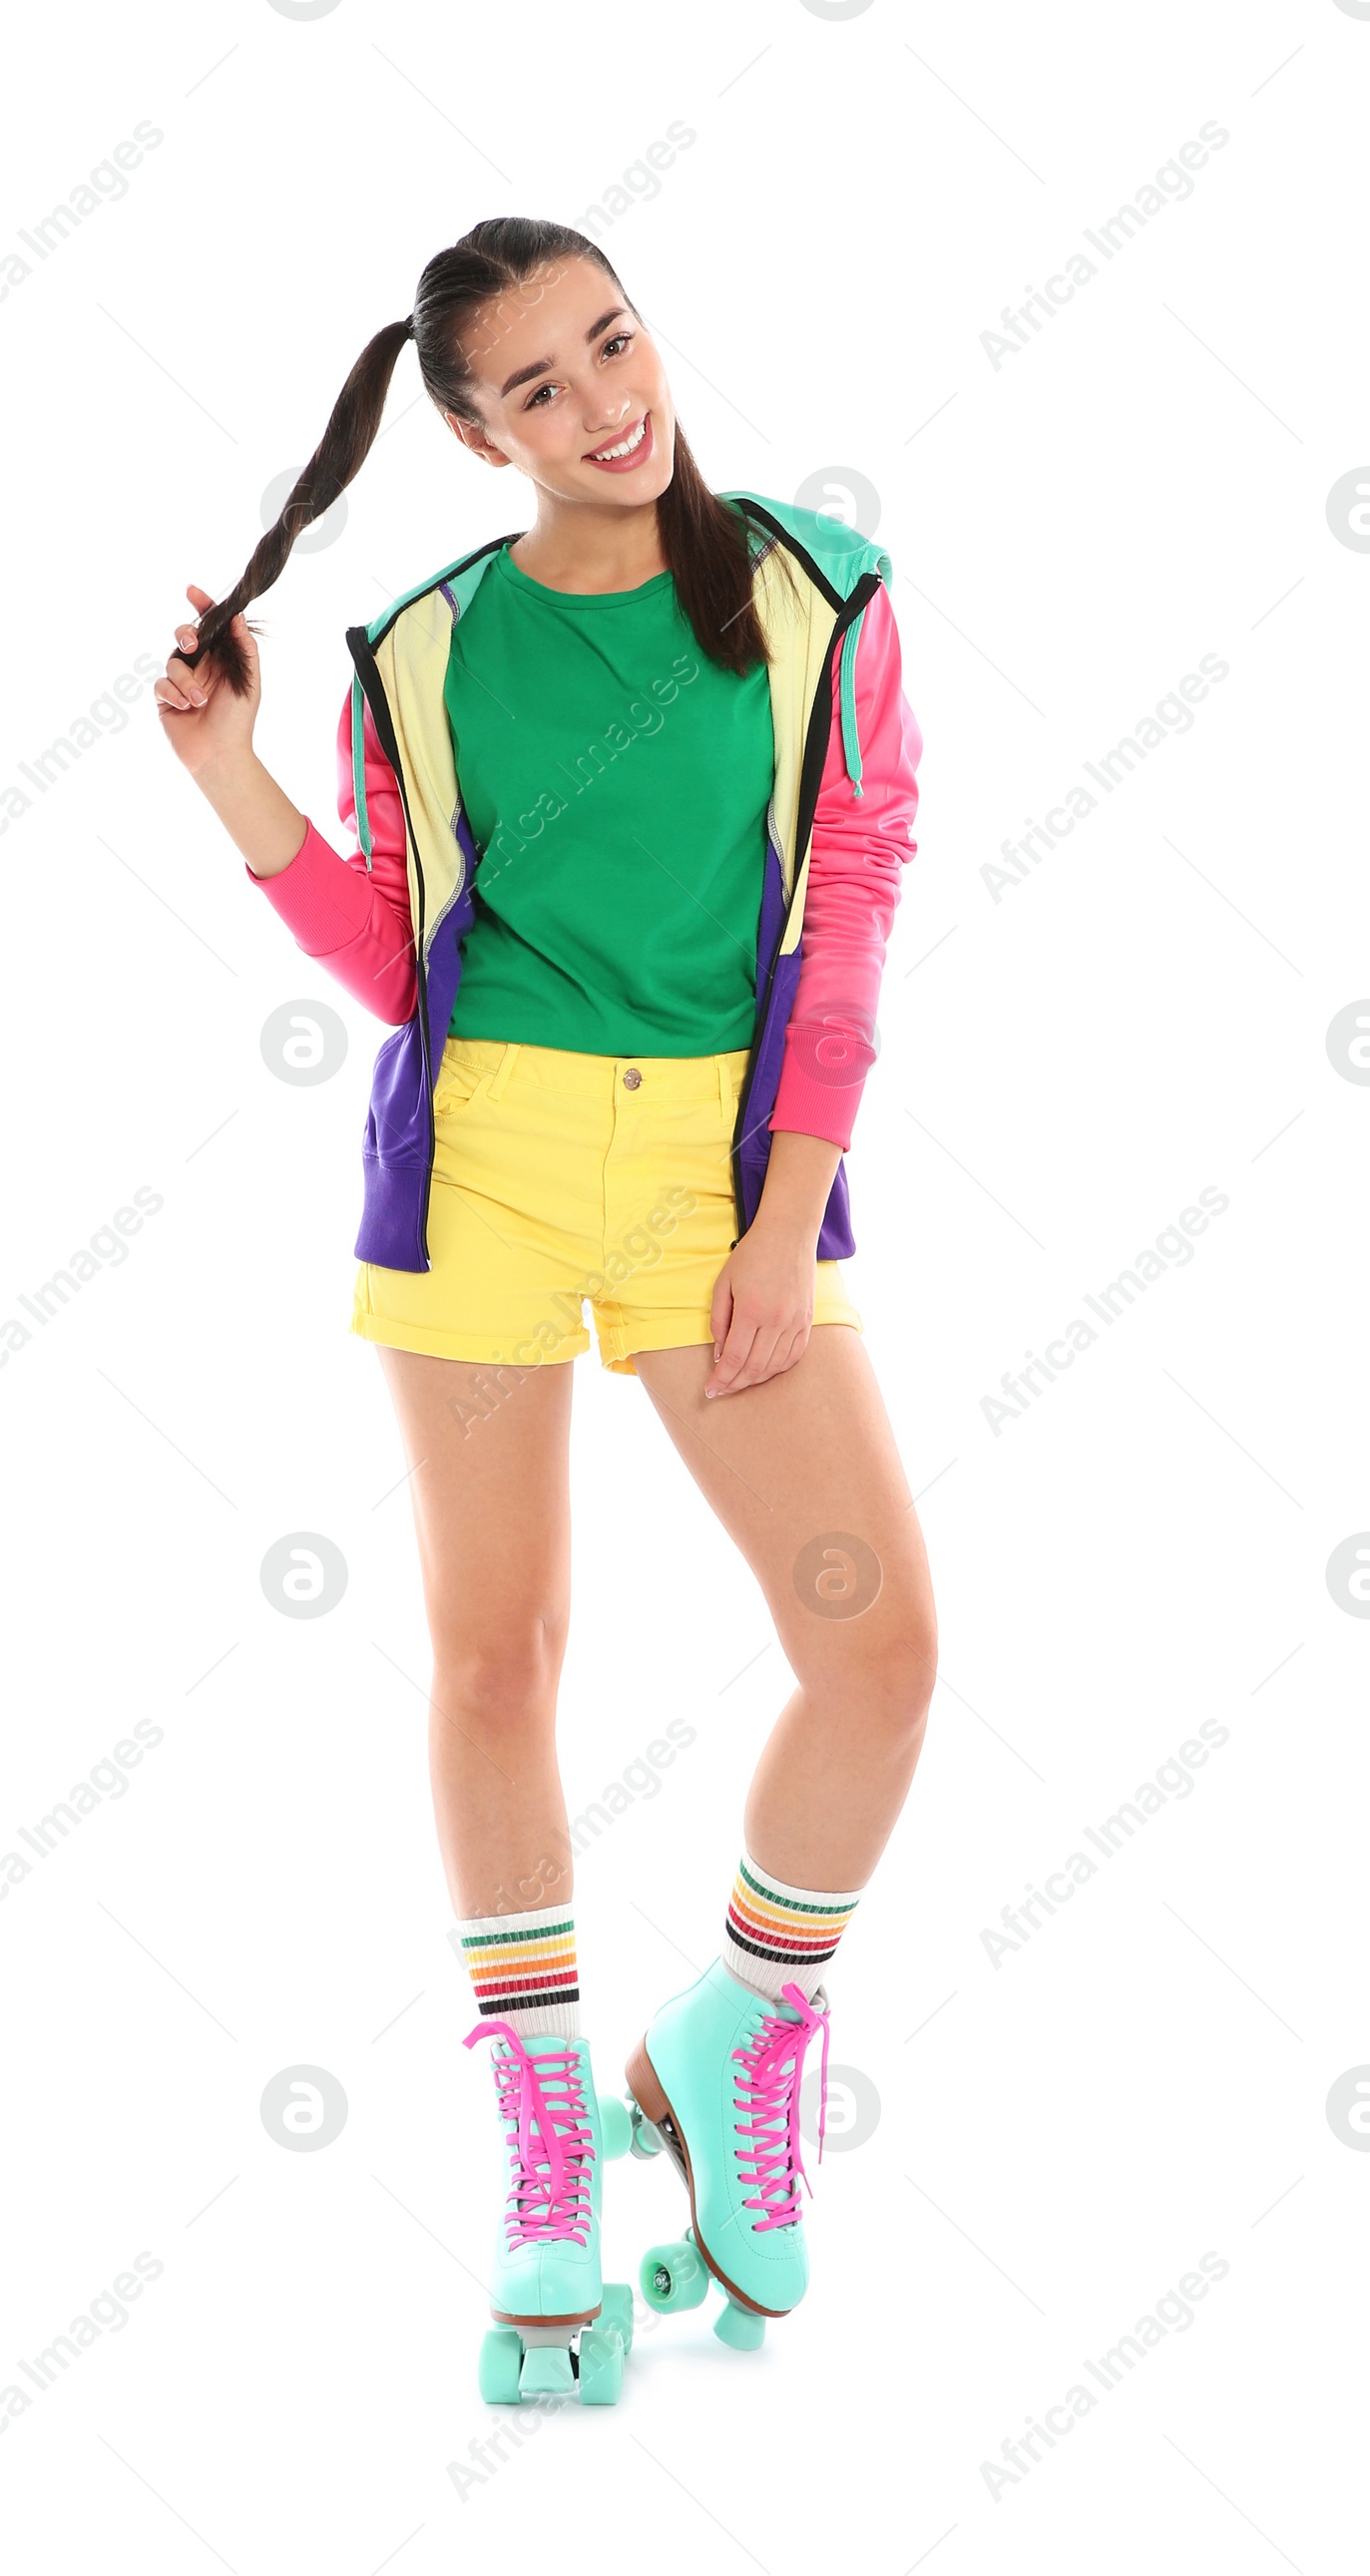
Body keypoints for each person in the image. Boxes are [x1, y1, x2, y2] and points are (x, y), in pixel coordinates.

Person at [156, 216, 936, 2405]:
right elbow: (404, 962)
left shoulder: (812, 596)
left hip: (717, 1179)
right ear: (475, 433)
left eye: (615, 340)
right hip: (480, 1167)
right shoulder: (419, 647)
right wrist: (229, 777)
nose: (607, 400)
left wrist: (784, 1213)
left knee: (875, 1647)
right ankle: (536, 2152)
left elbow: (854, 897)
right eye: (540, 389)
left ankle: (738, 2023)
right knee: (497, 1650)